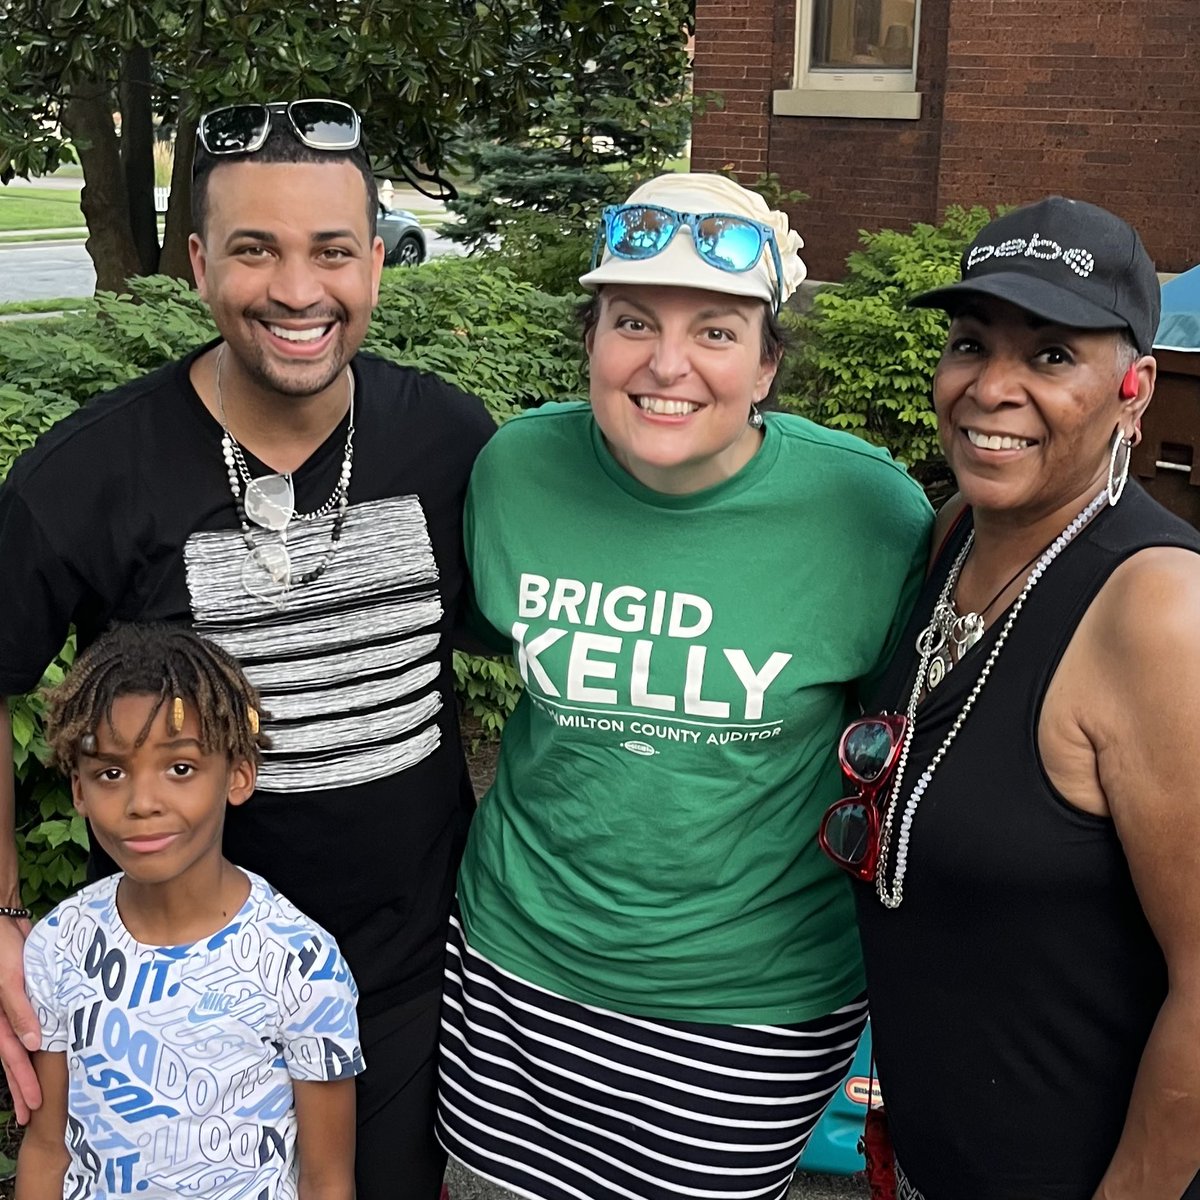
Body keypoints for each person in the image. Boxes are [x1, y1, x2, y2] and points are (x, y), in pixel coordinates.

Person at [0, 99, 495, 1199]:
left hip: (402, 971)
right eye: (254, 250)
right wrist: (3, 926)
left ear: (375, 259)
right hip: (166, 986)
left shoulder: (452, 442)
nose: (297, 290)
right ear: (198, 264)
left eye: (330, 251)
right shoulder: (88, 475)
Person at [435, 173, 933, 1200]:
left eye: (715, 331)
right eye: (631, 322)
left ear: (766, 366)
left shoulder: (869, 513)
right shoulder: (516, 470)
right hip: (514, 968)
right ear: (591, 341)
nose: (666, 364)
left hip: (748, 1002)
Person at [820, 197, 1200, 1199]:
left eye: (1049, 357)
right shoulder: (956, 539)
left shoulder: (1159, 613)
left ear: (1135, 387)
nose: (990, 388)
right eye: (969, 344)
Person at [15, 623, 363, 1200]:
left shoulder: (301, 964)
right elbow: (48, 1149)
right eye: (110, 773)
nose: (142, 803)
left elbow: (326, 1178)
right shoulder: (58, 946)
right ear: (77, 790)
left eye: (179, 768)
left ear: (238, 775)